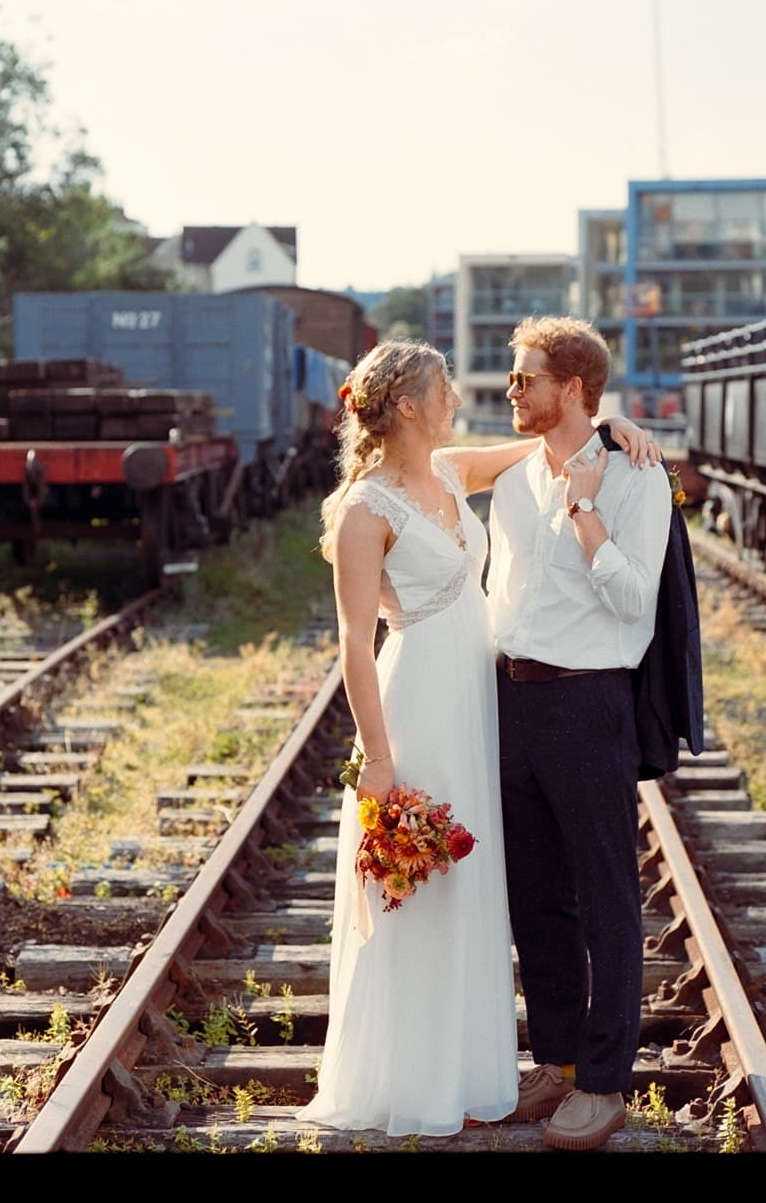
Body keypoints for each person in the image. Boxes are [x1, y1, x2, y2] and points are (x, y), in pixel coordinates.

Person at [296, 339, 660, 1139]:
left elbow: (551, 435)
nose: (461, 397)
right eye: (445, 388)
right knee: (420, 880)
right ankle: (410, 1076)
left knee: (477, 883)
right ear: (406, 407)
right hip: (419, 700)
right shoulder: (363, 508)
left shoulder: (453, 470)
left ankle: (469, 1069)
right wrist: (380, 758)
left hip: (481, 699)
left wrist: (616, 423)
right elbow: (356, 643)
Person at [486, 315, 673, 1152]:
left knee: (605, 898)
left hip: (590, 700)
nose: (510, 390)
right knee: (536, 894)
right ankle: (557, 1057)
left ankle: (603, 1081)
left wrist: (588, 508)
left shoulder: (638, 479)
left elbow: (635, 600)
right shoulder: (515, 476)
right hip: (514, 700)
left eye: (525, 378)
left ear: (573, 388)